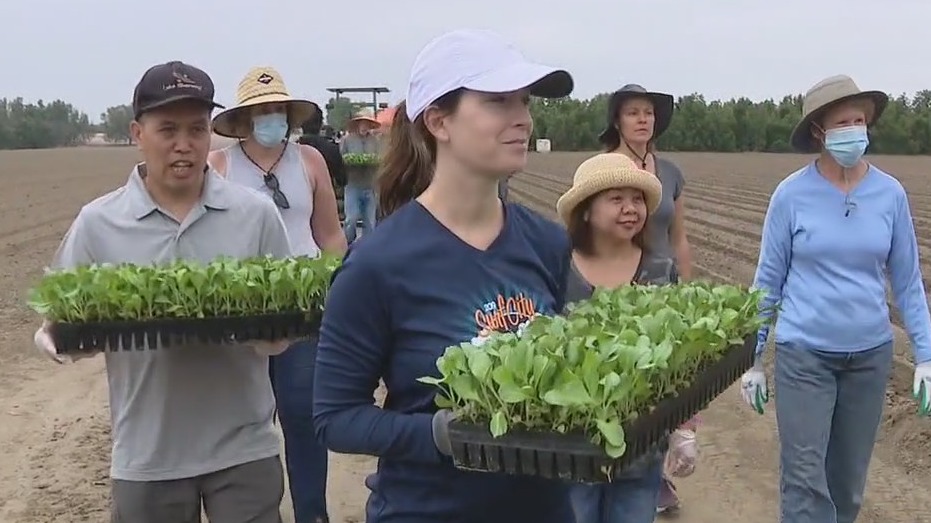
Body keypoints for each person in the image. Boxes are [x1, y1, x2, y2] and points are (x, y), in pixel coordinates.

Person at [312, 29, 575, 523]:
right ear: (439, 121)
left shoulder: (547, 243)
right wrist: (440, 435)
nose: (523, 117)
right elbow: (335, 417)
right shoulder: (379, 262)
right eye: (498, 100)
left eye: (523, 100)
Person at [31, 61, 293, 523]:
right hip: (147, 454)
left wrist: (275, 334)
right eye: (167, 129)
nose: (183, 144)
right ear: (137, 132)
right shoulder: (99, 222)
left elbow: (282, 322)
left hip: (244, 445)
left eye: (196, 129)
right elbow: (60, 318)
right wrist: (55, 339)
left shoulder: (255, 215)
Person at [741, 74, 931, 523]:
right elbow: (768, 280)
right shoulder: (791, 195)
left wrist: (924, 355)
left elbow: (907, 282)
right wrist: (750, 360)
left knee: (846, 484)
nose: (854, 130)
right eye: (842, 122)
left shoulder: (889, 194)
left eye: (859, 120)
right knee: (805, 482)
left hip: (869, 358)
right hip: (804, 354)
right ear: (818, 132)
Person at [208, 66, 347, 523]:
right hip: (245, 311)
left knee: (303, 417)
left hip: (303, 310)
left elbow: (330, 235)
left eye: (279, 110)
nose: (273, 118)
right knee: (249, 423)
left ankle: (313, 513)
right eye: (262, 111)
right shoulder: (221, 166)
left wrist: (329, 285)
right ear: (245, 119)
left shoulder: (309, 161)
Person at [555, 152, 696, 523]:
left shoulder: (660, 270)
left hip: (642, 445)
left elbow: (681, 353)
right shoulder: (558, 270)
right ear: (586, 210)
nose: (630, 209)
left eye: (636, 200)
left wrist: (685, 426)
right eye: (615, 199)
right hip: (572, 448)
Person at [598, 82, 695, 512]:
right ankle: (622, 472)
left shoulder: (670, 172)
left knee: (663, 384)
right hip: (616, 288)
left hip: (662, 288)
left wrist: (687, 294)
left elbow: (679, 237)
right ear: (617, 121)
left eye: (648, 113)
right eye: (633, 112)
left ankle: (654, 475)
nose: (642, 119)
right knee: (622, 387)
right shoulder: (603, 169)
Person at [339, 110, 381, 243]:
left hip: (370, 185)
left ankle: (368, 249)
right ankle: (347, 245)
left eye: (367, 124)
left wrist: (374, 160)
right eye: (362, 124)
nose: (364, 127)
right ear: (357, 125)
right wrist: (350, 160)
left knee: (370, 222)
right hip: (353, 185)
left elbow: (380, 158)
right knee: (351, 219)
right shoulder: (347, 140)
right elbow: (341, 158)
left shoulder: (375, 141)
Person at [299, 109, 347, 189]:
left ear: (301, 124)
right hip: (325, 195)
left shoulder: (287, 151)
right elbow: (342, 180)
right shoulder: (332, 149)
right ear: (321, 124)